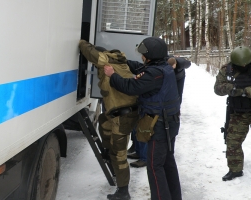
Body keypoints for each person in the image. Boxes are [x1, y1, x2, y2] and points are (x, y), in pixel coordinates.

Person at [104, 36, 182, 200]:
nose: (141, 57)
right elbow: (140, 68)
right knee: (167, 162)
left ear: (150, 55)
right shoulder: (163, 67)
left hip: (160, 125)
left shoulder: (153, 75)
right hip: (169, 122)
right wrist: (123, 62)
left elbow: (130, 87)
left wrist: (112, 75)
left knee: (154, 166)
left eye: (143, 54)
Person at [78, 40, 139, 200]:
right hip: (117, 113)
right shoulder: (118, 62)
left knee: (119, 154)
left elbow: (91, 53)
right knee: (103, 123)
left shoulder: (106, 61)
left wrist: (82, 42)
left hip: (123, 116)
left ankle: (123, 191)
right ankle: (109, 153)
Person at [214, 46, 251, 181]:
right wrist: (230, 89)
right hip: (238, 112)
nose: (243, 66)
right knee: (232, 141)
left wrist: (246, 91)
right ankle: (235, 170)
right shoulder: (227, 70)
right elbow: (217, 89)